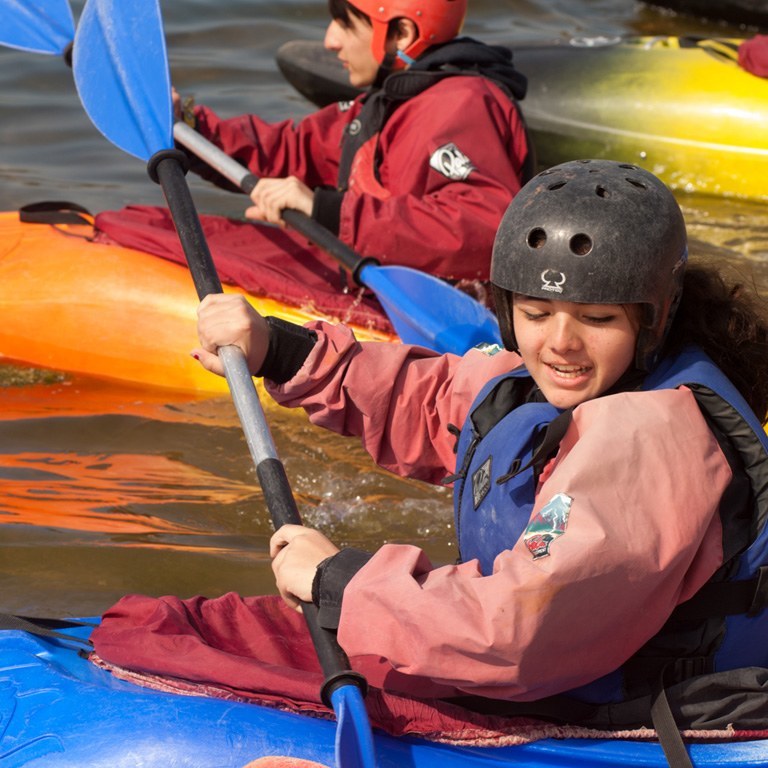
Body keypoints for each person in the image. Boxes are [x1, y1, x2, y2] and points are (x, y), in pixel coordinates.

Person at [91, 160, 768, 758]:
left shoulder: (649, 440)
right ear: (507, 311)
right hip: (550, 666)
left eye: (596, 320)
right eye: (536, 313)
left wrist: (342, 582)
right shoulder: (542, 382)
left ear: (653, 319)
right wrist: (280, 349)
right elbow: (433, 399)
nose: (560, 343)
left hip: (613, 710)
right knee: (185, 629)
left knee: (176, 645)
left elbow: (522, 630)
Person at [171, 0, 532, 287]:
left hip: (421, 305)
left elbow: (483, 228)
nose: (330, 40)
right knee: (161, 230)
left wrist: (326, 211)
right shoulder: (390, 103)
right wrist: (190, 127)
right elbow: (292, 150)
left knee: (160, 243)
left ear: (401, 33)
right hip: (370, 274)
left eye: (345, 24)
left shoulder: (460, 104)